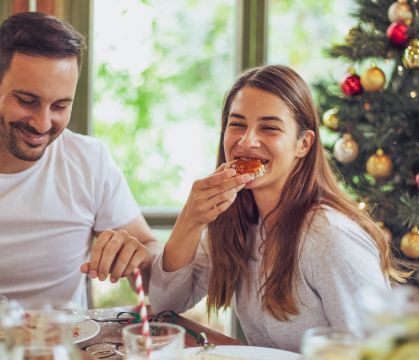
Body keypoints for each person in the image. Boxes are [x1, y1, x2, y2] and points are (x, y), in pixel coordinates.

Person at [0, 12, 159, 323]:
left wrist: (137, 254)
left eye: (60, 106)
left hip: (62, 348)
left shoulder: (90, 161)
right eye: (27, 100)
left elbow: (150, 255)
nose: (43, 123)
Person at [149, 65, 405, 352]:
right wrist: (190, 220)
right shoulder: (240, 220)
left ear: (303, 144)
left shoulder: (330, 238)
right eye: (237, 124)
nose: (247, 141)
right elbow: (166, 304)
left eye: (269, 127)